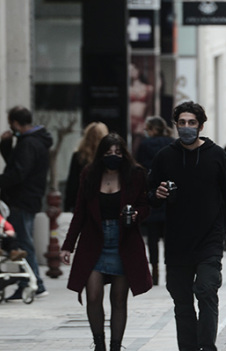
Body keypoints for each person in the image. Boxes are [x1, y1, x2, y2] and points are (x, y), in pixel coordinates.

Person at [148, 101, 226, 351]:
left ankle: (207, 346)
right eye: (182, 123)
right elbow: (149, 194)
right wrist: (158, 194)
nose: (186, 127)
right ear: (176, 125)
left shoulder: (217, 155)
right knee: (182, 300)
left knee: (206, 289)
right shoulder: (165, 156)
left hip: (210, 237)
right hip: (176, 240)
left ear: (201, 126)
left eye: (191, 123)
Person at [60, 133, 152, 351]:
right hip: (95, 242)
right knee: (92, 295)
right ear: (101, 154)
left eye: (118, 153)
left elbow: (146, 205)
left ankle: (116, 346)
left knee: (119, 299)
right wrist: (67, 245)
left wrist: (136, 214)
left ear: (125, 153)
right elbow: (80, 212)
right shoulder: (89, 174)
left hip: (123, 242)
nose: (114, 156)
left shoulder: (135, 174)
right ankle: (99, 344)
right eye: (109, 153)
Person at [0, 105, 53, 299]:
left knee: (22, 242)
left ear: (15, 123)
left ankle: (32, 283)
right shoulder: (34, 141)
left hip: (22, 199)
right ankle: (31, 282)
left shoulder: (29, 143)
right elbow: (16, 164)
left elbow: (17, 173)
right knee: (24, 240)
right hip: (29, 197)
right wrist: (6, 145)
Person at [135, 116, 173, 284]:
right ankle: (170, 268)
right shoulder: (172, 143)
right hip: (170, 197)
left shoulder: (144, 145)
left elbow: (139, 170)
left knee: (152, 238)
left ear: (152, 129)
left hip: (152, 195)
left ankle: (155, 269)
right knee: (170, 237)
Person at [65, 122, 109, 213]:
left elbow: (72, 183)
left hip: (83, 204)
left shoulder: (78, 156)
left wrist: (68, 205)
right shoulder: (108, 157)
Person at [0, 193, 27, 261]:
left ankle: (14, 252)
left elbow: (7, 225)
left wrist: (10, 231)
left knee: (11, 240)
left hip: (0, 238)